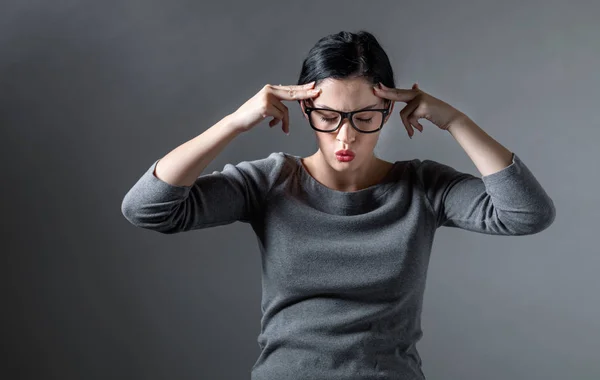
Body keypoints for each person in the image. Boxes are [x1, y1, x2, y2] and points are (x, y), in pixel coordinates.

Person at [121, 30, 556, 380]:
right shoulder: (270, 181)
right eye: (328, 117)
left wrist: (455, 121)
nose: (345, 137)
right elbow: (147, 208)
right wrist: (234, 123)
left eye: (364, 118)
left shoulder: (422, 186)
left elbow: (526, 214)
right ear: (305, 106)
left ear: (388, 109)